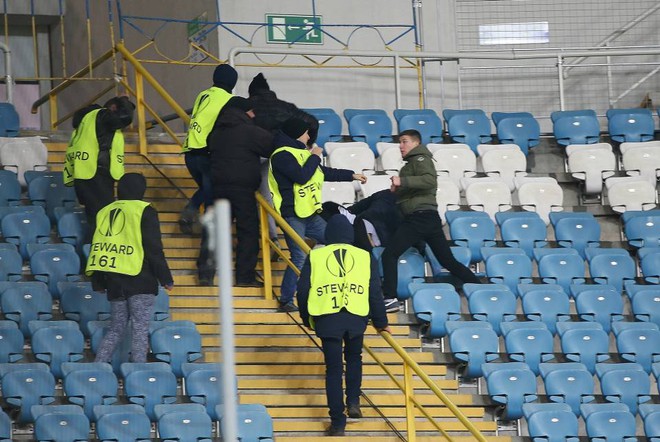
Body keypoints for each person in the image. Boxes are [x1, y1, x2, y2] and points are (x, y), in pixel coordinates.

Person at [297, 215, 389, 437]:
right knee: (355, 358)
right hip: (356, 316)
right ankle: (354, 401)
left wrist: (306, 318)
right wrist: (381, 322)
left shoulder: (316, 255)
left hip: (327, 317)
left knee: (334, 370)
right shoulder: (365, 256)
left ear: (329, 236)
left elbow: (303, 290)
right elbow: (375, 292)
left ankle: (338, 422)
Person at [268, 117, 367, 312]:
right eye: (306, 132)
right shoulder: (282, 155)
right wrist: (314, 155)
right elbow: (302, 176)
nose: (308, 136)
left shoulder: (301, 154)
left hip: (310, 212)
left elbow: (323, 173)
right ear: (297, 133)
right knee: (299, 256)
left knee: (338, 243)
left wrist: (351, 175)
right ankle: (286, 299)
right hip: (292, 214)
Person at [381, 129, 481, 312]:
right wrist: (396, 191)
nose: (400, 146)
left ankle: (389, 298)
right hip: (428, 218)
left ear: (416, 143)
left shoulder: (420, 159)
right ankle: (480, 288)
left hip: (419, 218)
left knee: (389, 254)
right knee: (447, 261)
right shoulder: (413, 162)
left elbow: (429, 181)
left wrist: (401, 181)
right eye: (399, 142)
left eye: (404, 141)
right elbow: (416, 190)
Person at [86, 173, 174, 363]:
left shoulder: (105, 211)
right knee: (140, 329)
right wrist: (165, 277)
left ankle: (98, 365)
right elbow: (153, 247)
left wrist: (98, 281)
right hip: (140, 278)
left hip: (114, 280)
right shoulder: (144, 210)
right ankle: (138, 371)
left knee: (116, 328)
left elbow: (99, 248)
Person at [203, 96, 275, 286]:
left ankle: (205, 274)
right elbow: (271, 146)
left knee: (216, 231)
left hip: (218, 188)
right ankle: (244, 277)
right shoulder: (249, 131)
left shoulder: (216, 132)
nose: (253, 116)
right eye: (252, 112)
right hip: (242, 189)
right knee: (248, 232)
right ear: (245, 112)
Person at [63, 95, 135, 236]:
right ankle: (100, 250)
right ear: (113, 108)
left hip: (84, 174)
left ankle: (94, 249)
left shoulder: (87, 119)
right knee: (103, 220)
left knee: (95, 218)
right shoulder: (102, 116)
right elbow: (125, 117)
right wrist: (124, 103)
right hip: (96, 173)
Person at [179, 64, 238, 234]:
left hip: (190, 152)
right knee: (212, 192)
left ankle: (195, 216)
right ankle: (195, 216)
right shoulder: (228, 100)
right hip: (207, 154)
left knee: (209, 191)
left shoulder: (203, 94)